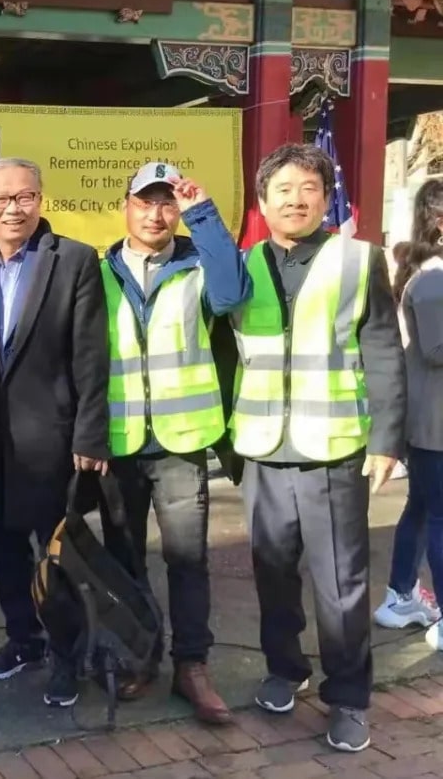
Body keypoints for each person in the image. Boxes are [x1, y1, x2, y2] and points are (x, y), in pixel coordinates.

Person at [231, 144, 405, 752]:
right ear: (262, 202)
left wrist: (386, 439)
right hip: (261, 447)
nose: (296, 199)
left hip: (332, 449)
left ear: (327, 198)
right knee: (272, 572)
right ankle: (285, 669)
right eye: (283, 189)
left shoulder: (359, 260)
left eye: (309, 188)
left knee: (341, 584)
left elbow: (383, 349)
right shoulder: (240, 266)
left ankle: (349, 696)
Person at [0, 157, 110, 707]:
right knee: (4, 551)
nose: (12, 209)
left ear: (40, 200)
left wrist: (90, 435)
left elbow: (90, 355)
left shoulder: (74, 260)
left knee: (57, 558)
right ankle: (24, 640)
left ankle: (68, 655)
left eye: (23, 197)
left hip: (52, 440)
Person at [99, 162, 251, 724]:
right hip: (118, 440)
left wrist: (203, 214)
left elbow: (233, 294)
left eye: (167, 203)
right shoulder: (99, 272)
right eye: (146, 201)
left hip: (183, 440)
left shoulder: (197, 266)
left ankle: (193, 666)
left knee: (187, 561)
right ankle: (139, 655)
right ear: (126, 206)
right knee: (124, 561)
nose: (156, 214)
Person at [374, 180, 443, 638]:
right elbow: (437, 349)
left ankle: (400, 595)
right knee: (437, 517)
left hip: (430, 420)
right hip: (434, 422)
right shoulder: (434, 278)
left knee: (422, 509)